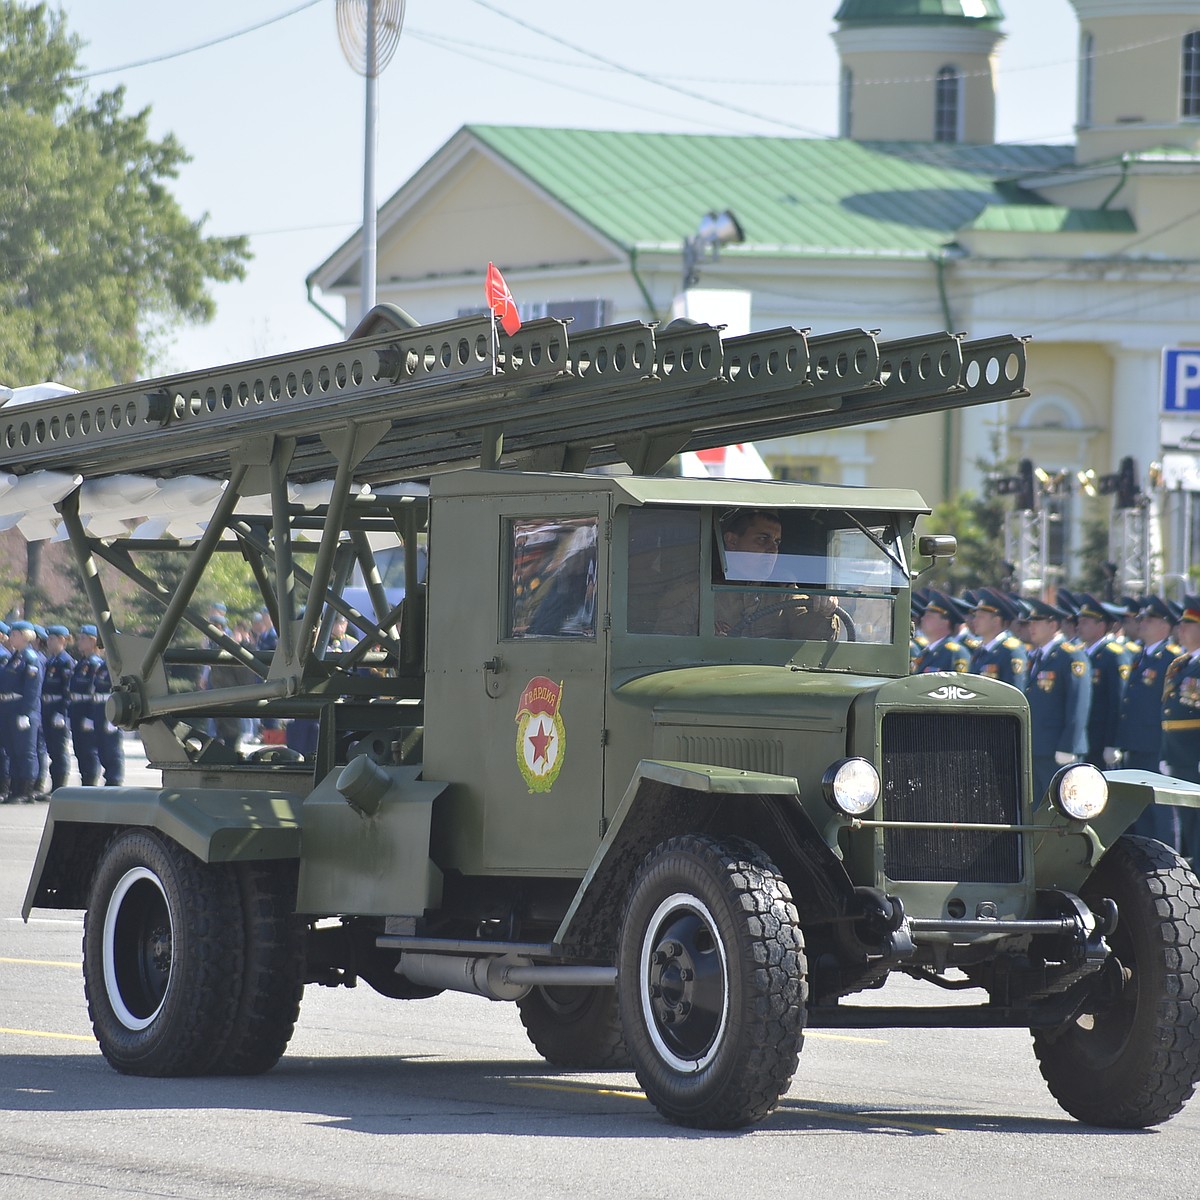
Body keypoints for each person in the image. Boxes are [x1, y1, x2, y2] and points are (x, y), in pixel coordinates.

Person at [657, 508, 838, 639]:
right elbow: (664, 645)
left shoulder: (783, 590)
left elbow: (811, 634)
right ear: (732, 541)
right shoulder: (695, 592)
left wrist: (825, 612)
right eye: (762, 539)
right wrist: (703, 640)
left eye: (777, 542)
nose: (772, 550)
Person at [1119, 596, 1183, 846]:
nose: (1142, 623)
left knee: (1162, 813)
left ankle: (1167, 863)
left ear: (1165, 626)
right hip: (1135, 744)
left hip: (1155, 745)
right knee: (1140, 811)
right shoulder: (1140, 656)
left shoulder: (1171, 658)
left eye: (1149, 619)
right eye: (1141, 619)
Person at [1024, 597, 1091, 801]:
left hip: (1057, 749)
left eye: (1037, 622)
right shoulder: (1036, 657)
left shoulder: (1070, 657)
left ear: (1053, 625)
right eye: (1031, 622)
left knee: (1060, 809)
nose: (1031, 627)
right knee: (1037, 809)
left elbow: (1078, 704)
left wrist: (1068, 746)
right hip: (1037, 746)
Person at [1159, 595, 1200, 861]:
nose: (1181, 628)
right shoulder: (1181, 664)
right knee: (1186, 826)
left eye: (1189, 623)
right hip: (1178, 758)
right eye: (1181, 623)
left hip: (1195, 757)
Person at [1074, 594, 1133, 770]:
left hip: (1102, 738)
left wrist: (1112, 743)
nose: (1079, 626)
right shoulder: (1080, 653)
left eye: (1085, 622)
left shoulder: (1114, 655)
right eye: (1079, 621)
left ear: (1100, 625)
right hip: (1085, 737)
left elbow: (1118, 702)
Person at [0, 621, 45, 804]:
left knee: (25, 752)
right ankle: (15, 789)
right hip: (9, 708)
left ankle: (26, 790)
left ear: (25, 636)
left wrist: (26, 713)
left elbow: (33, 689)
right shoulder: (15, 657)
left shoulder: (30, 658)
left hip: (21, 710)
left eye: (15, 634)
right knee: (12, 750)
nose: (11, 637)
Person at [40, 624, 75, 797]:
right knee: (52, 749)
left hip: (58, 708)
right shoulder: (51, 660)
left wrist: (63, 712)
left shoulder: (65, 661)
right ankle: (54, 786)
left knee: (59, 750)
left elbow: (67, 690)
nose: (49, 641)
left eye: (52, 638)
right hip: (47, 707)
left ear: (62, 640)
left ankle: (60, 786)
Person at [966, 588, 1028, 686]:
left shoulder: (1011, 651)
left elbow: (1014, 695)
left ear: (996, 621)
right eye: (975, 616)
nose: (974, 621)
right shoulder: (980, 651)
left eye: (981, 617)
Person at [913, 591, 970, 673]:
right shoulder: (926, 652)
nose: (923, 619)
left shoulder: (954, 653)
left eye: (929, 616)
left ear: (945, 622)